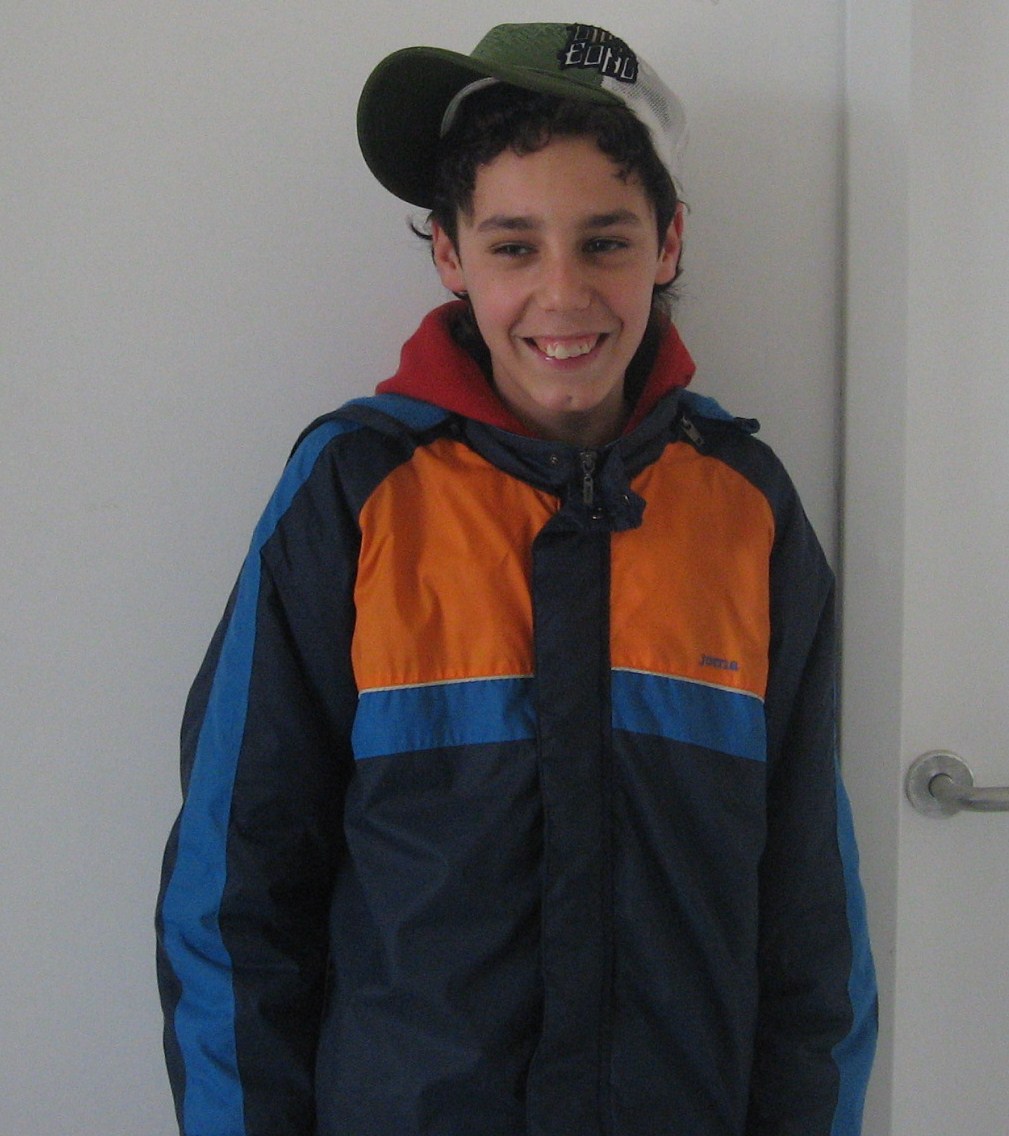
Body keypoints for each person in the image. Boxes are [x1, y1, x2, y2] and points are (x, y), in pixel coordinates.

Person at [156, 21, 877, 1136]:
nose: (562, 293)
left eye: (604, 241)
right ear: (449, 254)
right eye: (512, 246)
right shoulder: (354, 491)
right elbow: (232, 888)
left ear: (668, 242)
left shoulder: (747, 510)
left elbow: (809, 919)